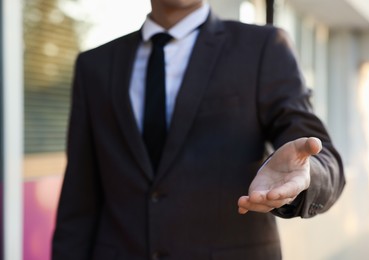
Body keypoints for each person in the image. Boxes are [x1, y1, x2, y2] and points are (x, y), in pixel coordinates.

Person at [52, 0, 345, 259]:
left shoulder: (262, 48)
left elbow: (324, 158)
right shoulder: (94, 66)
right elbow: (79, 200)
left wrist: (306, 174)